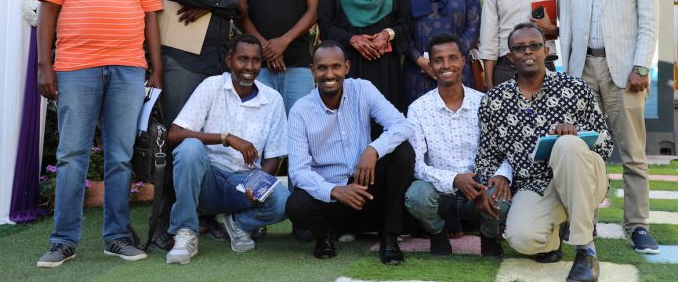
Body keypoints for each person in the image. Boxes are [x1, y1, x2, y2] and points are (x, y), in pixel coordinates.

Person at [36, 0, 163, 267]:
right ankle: (63, 240)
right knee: (72, 155)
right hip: (76, 67)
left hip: (128, 67)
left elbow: (151, 14)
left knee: (121, 157)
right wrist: (45, 65)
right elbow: (48, 10)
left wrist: (155, 66)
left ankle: (117, 236)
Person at [475, 23, 613, 282]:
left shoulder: (575, 88)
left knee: (567, 145)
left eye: (534, 45)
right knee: (522, 238)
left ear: (546, 50)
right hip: (536, 186)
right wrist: (497, 176)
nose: (528, 52)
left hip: (585, 178)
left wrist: (576, 132)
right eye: (519, 48)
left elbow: (606, 145)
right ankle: (552, 240)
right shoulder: (493, 101)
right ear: (509, 56)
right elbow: (486, 155)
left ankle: (585, 249)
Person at [559, 0, 660, 254]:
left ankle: (638, 226)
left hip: (623, 73)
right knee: (584, 151)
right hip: (582, 70)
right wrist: (569, 79)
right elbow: (567, 29)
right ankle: (586, 224)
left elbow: (649, 19)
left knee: (632, 154)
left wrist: (641, 66)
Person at [285, 41, 415, 264]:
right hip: (332, 199)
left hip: (366, 187)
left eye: (335, 67)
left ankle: (390, 237)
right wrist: (334, 190)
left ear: (346, 67)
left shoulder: (362, 89)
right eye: (322, 68)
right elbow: (298, 172)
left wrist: (373, 149)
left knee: (403, 151)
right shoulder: (300, 110)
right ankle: (325, 236)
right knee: (295, 204)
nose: (329, 74)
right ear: (313, 71)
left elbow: (401, 125)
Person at [164, 34, 290, 264]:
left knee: (283, 201)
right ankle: (186, 233)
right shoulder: (212, 86)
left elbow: (274, 156)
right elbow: (174, 134)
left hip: (244, 183)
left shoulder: (272, 99)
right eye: (243, 59)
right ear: (229, 60)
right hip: (207, 180)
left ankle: (238, 224)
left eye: (256, 60)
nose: (249, 67)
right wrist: (226, 138)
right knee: (190, 147)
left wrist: (259, 184)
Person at [405, 33, 511, 257]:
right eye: (438, 60)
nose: (446, 65)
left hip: (481, 188)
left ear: (463, 60)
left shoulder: (484, 102)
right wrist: (454, 179)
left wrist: (500, 177)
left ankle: (490, 235)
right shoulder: (418, 109)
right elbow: (416, 165)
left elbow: (507, 152)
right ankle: (437, 232)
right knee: (416, 196)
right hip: (440, 191)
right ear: (431, 65)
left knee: (502, 195)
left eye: (453, 58)